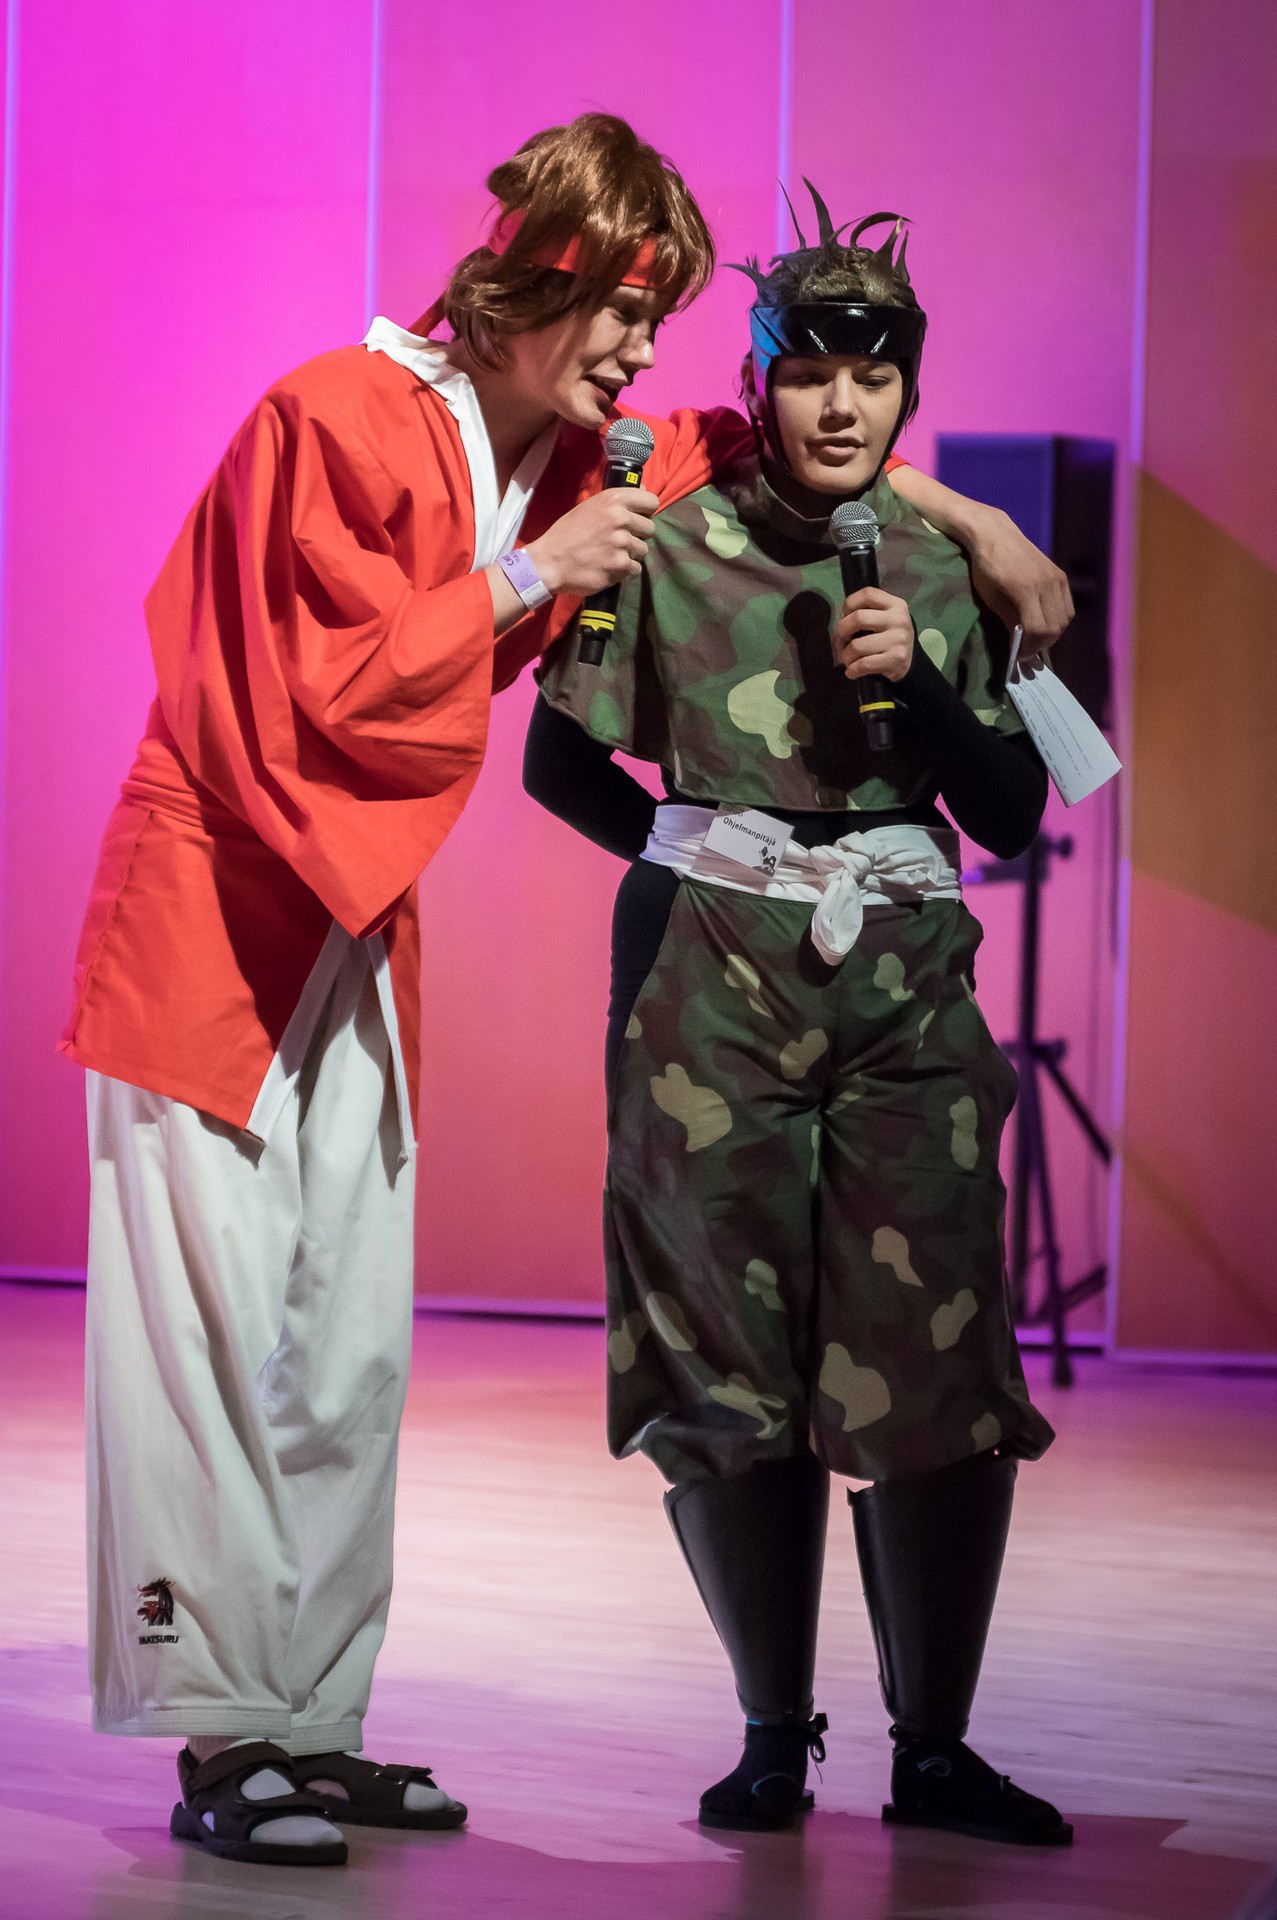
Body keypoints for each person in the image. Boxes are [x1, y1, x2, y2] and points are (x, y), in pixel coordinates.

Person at [62, 103, 1070, 1866]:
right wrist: (528, 576)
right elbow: (309, 686)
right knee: (200, 1352)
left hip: (347, 927)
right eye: (619, 309)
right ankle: (214, 1731)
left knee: (343, 1344)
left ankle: (313, 1720)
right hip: (210, 925)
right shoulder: (334, 412)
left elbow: (785, 435)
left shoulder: (558, 445)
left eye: (654, 318)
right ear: (532, 283)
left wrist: (975, 517)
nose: (636, 350)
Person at [524, 184, 1074, 1847]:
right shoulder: (670, 542)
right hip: (710, 991)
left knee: (933, 1354)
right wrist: (704, 856)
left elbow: (1013, 813)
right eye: (807, 372)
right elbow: (558, 761)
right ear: (758, 381)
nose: (840, 405)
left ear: (909, 388)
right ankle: (772, 1735)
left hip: (903, 995)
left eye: (873, 375)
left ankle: (934, 1750)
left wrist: (922, 689)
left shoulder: (956, 565)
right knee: (726, 1356)